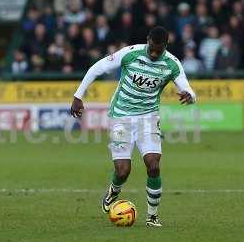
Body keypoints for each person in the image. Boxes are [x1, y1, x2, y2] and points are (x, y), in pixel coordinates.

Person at [70, 26, 196, 227]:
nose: (154, 53)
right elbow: (97, 68)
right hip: (121, 116)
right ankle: (114, 189)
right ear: (148, 41)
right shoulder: (130, 54)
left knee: (153, 165)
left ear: (166, 46)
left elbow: (187, 87)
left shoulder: (172, 64)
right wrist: (78, 96)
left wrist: (190, 96)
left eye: (159, 50)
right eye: (152, 48)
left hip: (148, 117)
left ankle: (152, 216)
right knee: (123, 171)